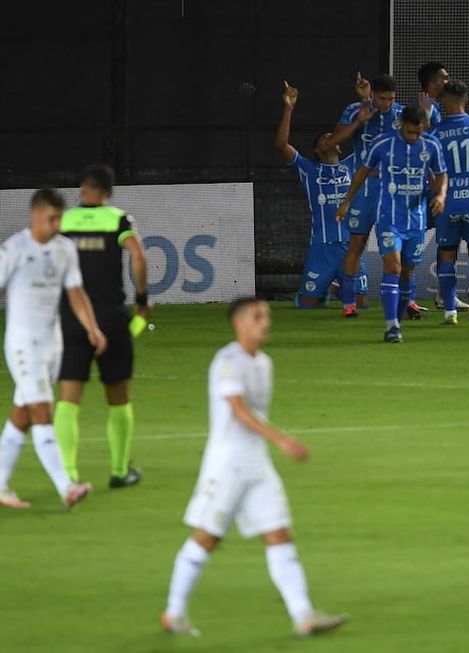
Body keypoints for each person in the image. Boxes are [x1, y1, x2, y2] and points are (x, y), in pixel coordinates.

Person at [161, 298, 348, 638]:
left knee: (278, 533)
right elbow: (238, 410)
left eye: (267, 316)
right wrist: (281, 440)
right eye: (257, 317)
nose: (265, 322)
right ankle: (173, 613)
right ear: (239, 324)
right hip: (227, 464)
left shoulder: (264, 363)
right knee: (207, 538)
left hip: (257, 465)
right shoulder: (227, 362)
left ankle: (303, 615)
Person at [0, 189, 105, 509]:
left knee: (22, 416)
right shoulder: (14, 249)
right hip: (23, 344)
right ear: (35, 215)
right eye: (51, 218)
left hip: (51, 343)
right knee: (43, 412)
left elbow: (76, 293)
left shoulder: (65, 249)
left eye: (59, 218)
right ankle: (66, 486)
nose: (57, 224)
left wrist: (92, 327)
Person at [54, 164, 148, 488]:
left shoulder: (64, 222)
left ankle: (68, 474)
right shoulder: (119, 219)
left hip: (71, 316)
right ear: (108, 192)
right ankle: (120, 471)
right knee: (119, 396)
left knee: (68, 397)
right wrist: (143, 300)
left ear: (83, 188)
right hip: (110, 316)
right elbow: (138, 256)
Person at [336, 105, 447, 343]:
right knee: (393, 267)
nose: (414, 137)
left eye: (418, 133)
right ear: (401, 125)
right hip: (389, 218)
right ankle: (391, 325)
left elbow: (442, 175)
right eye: (409, 132)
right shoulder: (382, 144)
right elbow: (362, 172)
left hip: (416, 220)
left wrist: (440, 195)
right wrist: (347, 201)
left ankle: (397, 319)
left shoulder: (431, 146)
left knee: (407, 271)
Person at [274, 81, 367, 314]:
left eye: (332, 137)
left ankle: (338, 288)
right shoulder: (309, 170)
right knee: (306, 307)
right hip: (322, 247)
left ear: (338, 146)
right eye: (325, 138)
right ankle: (325, 288)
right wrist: (288, 109)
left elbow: (370, 140)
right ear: (317, 150)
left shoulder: (353, 164)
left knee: (362, 303)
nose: (330, 140)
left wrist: (365, 100)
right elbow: (281, 144)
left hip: (351, 244)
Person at [330, 73, 404, 318]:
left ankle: (403, 303)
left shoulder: (401, 115)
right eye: (383, 98)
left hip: (392, 191)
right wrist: (360, 120)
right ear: (373, 95)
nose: (388, 104)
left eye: (392, 99)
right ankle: (348, 304)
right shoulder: (356, 111)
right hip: (364, 189)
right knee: (356, 245)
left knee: (394, 250)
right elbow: (332, 142)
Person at [431, 80, 469, 325]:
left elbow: (431, 170)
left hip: (448, 203)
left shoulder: (435, 133)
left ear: (444, 101)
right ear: (466, 99)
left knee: (447, 255)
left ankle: (450, 312)